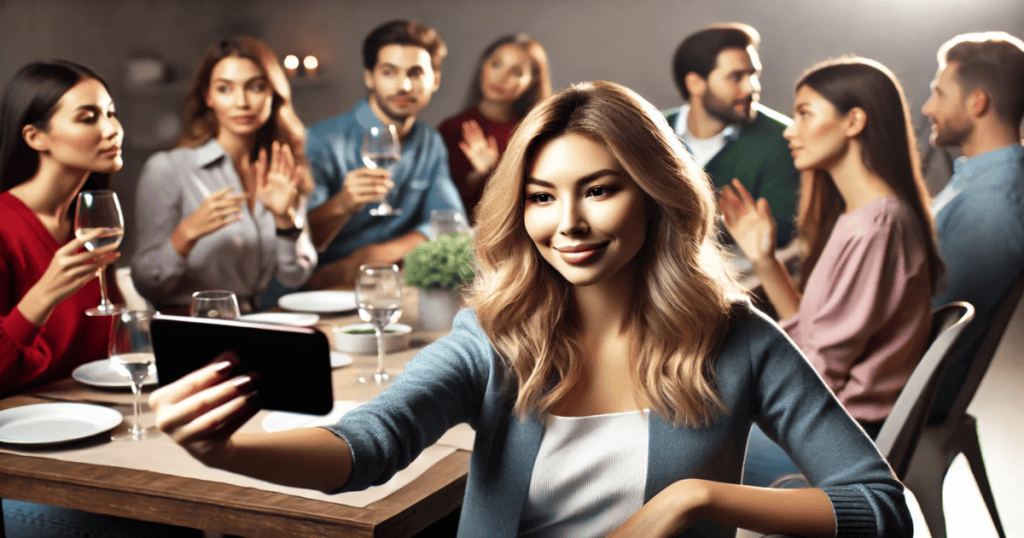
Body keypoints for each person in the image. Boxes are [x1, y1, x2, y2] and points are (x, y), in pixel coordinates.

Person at [150, 81, 911, 537]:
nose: (566, 224)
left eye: (600, 190)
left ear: (655, 195)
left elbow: (884, 507)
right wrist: (227, 451)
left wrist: (695, 499)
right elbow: (372, 444)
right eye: (543, 197)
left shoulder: (737, 338)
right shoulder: (492, 331)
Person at [719, 57, 944, 485]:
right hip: (828, 419)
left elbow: (821, 369)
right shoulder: (863, 217)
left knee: (678, 450)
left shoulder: (877, 227)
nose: (789, 129)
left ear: (853, 121)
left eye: (805, 113)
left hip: (838, 437)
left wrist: (737, 387)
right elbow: (818, 331)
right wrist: (765, 260)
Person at [0, 59, 200, 538]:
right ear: (36, 137)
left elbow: (97, 355)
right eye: (88, 117)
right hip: (24, 468)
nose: (112, 129)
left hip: (86, 435)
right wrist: (44, 293)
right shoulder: (5, 226)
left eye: (111, 113)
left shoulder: (84, 226)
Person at [130, 36, 316, 314]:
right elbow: (147, 283)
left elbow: (295, 277)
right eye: (225, 88)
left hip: (259, 322)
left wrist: (285, 221)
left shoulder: (282, 168)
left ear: (272, 93)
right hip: (191, 329)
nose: (242, 102)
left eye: (254, 87)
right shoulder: (168, 169)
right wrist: (185, 236)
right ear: (208, 96)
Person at [304, 20, 466, 289]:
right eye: (389, 72)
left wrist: (375, 255)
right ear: (369, 77)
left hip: (394, 282)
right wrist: (342, 204)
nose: (403, 86)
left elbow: (451, 226)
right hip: (324, 289)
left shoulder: (430, 142)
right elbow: (292, 238)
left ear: (434, 80)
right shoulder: (320, 141)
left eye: (415, 74)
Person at [922, 31, 1024, 423]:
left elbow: (932, 329)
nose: (929, 107)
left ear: (977, 102)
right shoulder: (977, 180)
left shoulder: (992, 202)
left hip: (899, 402)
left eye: (940, 94)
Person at [665, 23, 799, 246]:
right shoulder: (648, 130)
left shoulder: (785, 138)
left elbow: (781, 230)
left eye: (753, 75)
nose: (751, 88)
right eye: (736, 77)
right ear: (695, 84)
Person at [438, 33, 551, 222]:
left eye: (516, 72)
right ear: (484, 65)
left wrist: (497, 171)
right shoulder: (451, 129)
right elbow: (441, 204)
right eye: (496, 64)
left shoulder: (536, 134)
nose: (501, 77)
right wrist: (479, 175)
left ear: (531, 82)